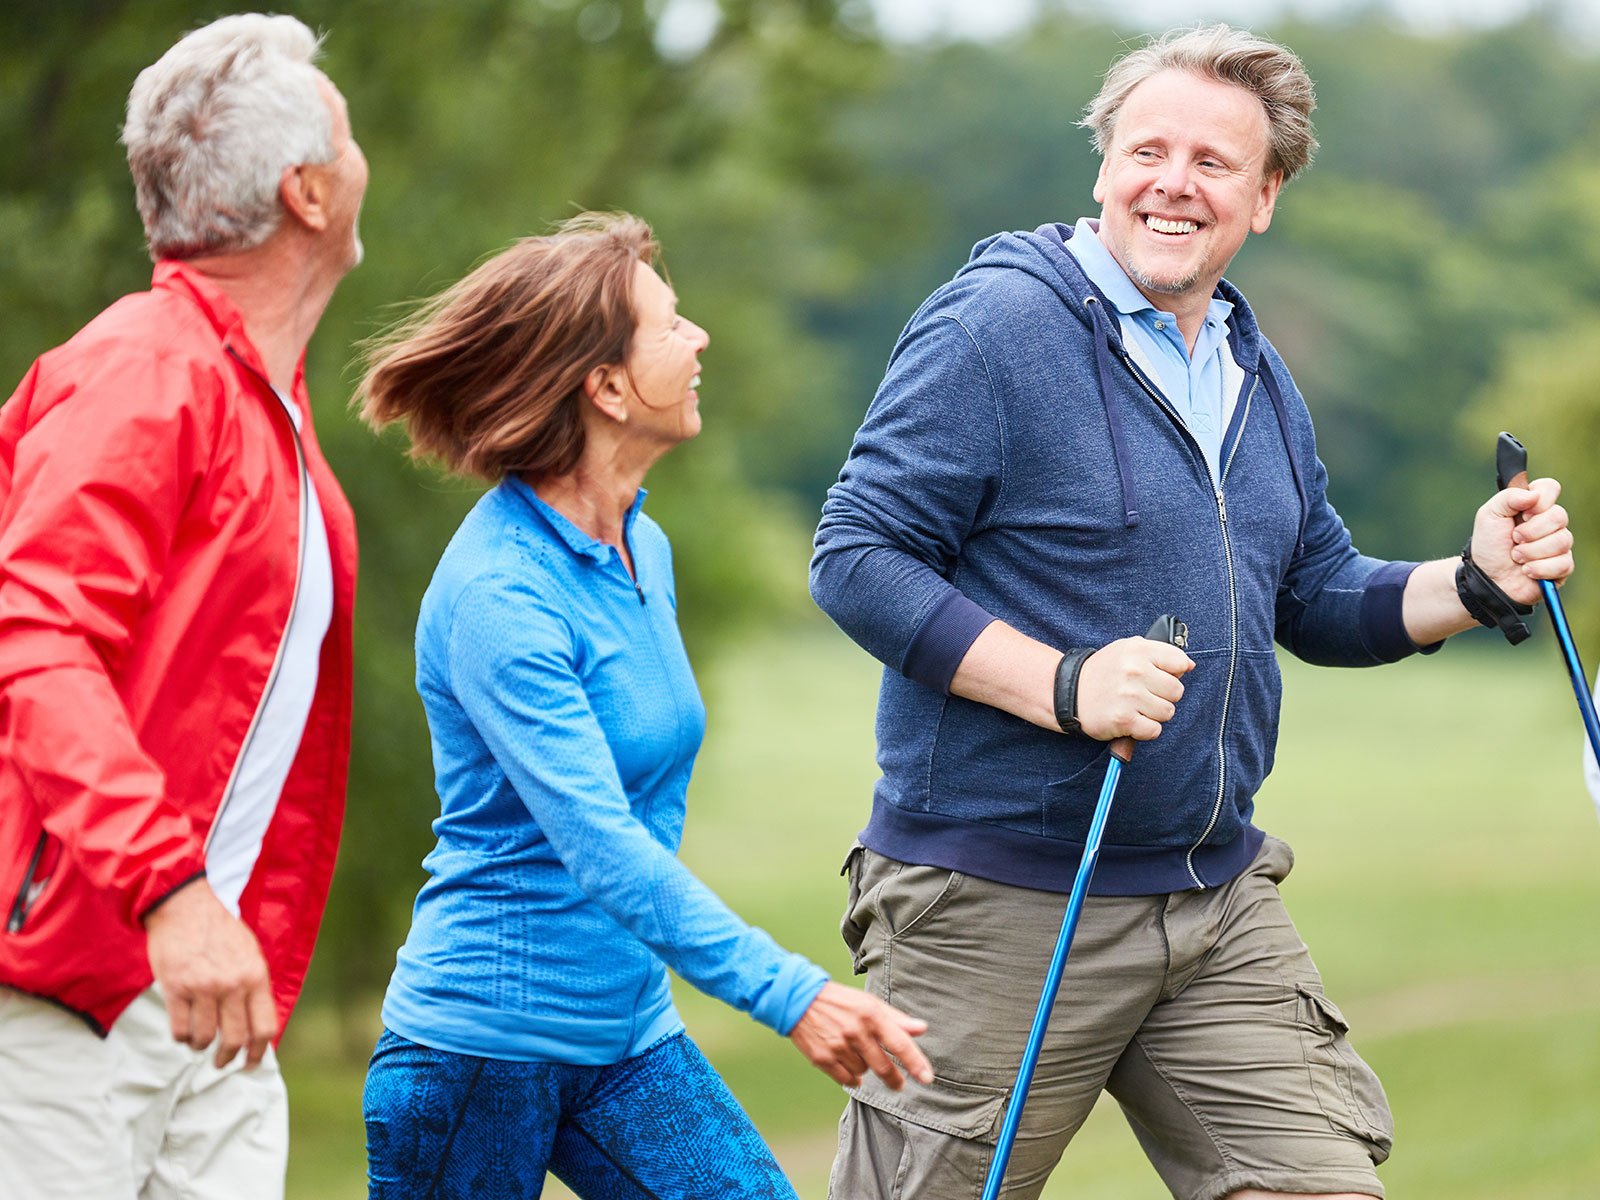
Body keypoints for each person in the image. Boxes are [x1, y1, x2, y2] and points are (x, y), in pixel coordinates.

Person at [810, 24, 1574, 1200]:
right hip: (1001, 903)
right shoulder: (994, 330)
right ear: (1104, 165)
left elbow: (1315, 595)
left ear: (1264, 197)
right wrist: (1063, 686)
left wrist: (1473, 583)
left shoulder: (1248, 366)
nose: (1173, 182)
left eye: (1213, 162)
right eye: (1146, 149)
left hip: (1211, 903)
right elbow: (858, 555)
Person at [356, 211, 932, 1200]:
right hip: (476, 1051)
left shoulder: (640, 547)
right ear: (607, 386)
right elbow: (602, 843)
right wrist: (793, 995)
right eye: (670, 326)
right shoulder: (504, 591)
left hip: (625, 1037)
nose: (698, 337)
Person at [0, 12, 365, 1200]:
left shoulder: (268, 408)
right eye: (349, 143)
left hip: (207, 1002)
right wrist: (169, 888)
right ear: (307, 192)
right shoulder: (145, 375)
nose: (367, 167)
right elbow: (39, 640)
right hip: (62, 999)